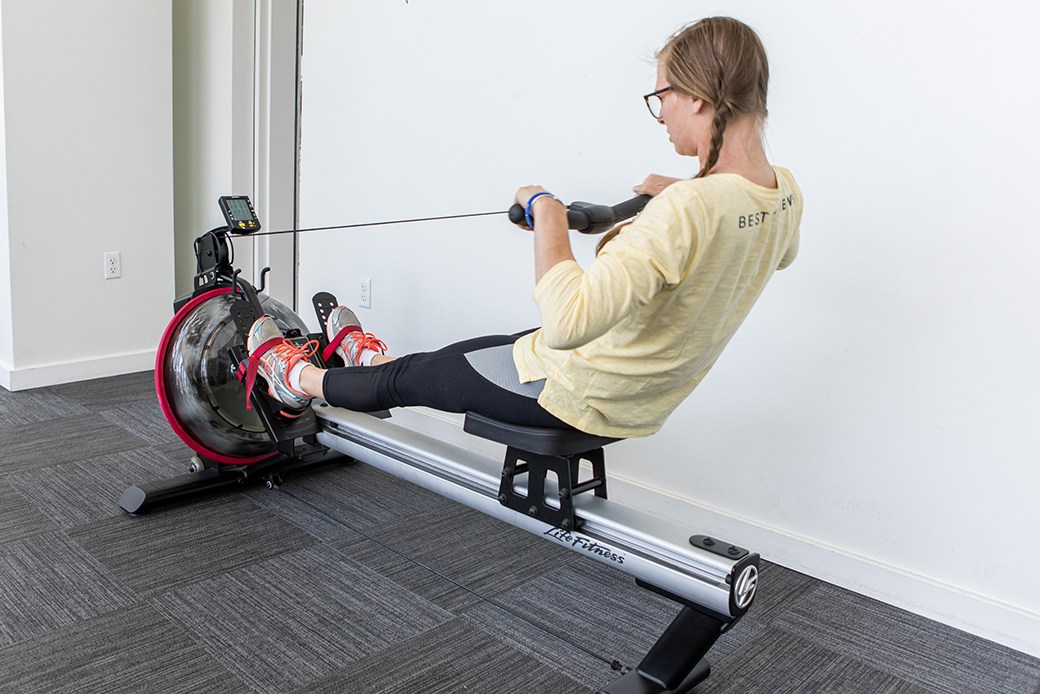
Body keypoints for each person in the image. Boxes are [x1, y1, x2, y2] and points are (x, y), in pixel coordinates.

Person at [247, 16, 802, 438]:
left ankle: (294, 382)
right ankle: (366, 363)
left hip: (583, 392)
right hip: (636, 391)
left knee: (414, 379)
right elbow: (766, 245)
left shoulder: (690, 210)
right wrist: (684, 191)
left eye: (662, 98)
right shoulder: (781, 191)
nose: (661, 115)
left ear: (698, 98)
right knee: (473, 351)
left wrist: (549, 216)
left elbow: (566, 322)